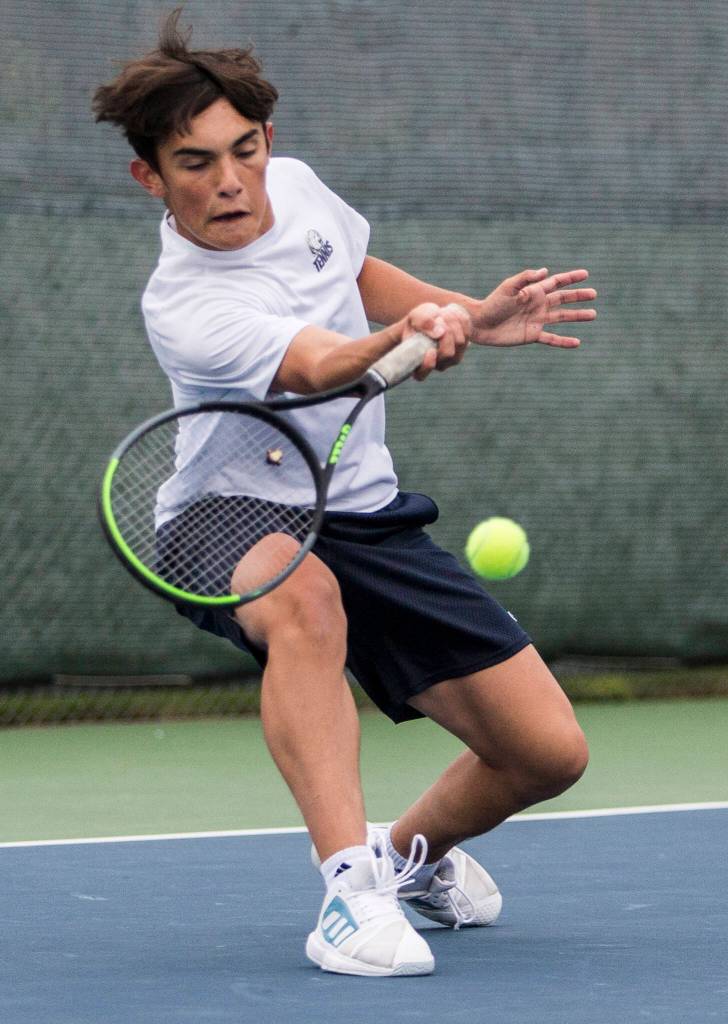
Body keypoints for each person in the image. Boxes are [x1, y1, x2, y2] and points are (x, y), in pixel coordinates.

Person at [94, 10, 594, 978]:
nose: (230, 180)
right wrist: (407, 342)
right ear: (148, 177)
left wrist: (462, 315)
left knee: (545, 752)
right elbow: (316, 362)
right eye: (194, 163)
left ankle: (403, 858)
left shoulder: (299, 188)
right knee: (304, 599)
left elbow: (353, 272)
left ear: (268, 143)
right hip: (224, 514)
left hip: (360, 505)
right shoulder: (184, 301)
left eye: (244, 149)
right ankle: (344, 895)